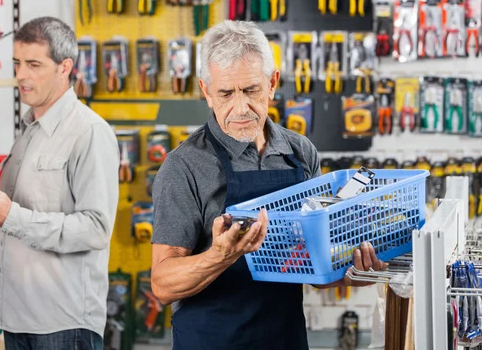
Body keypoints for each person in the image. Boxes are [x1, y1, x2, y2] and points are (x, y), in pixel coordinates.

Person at [150, 20, 386, 350]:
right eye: (225, 94)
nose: (240, 108)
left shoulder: (300, 152)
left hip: (284, 338)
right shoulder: (184, 166)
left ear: (272, 83)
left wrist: (356, 269)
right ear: (206, 91)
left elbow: (317, 270)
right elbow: (162, 284)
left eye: (250, 90)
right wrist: (220, 256)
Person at [0, 16, 119, 350]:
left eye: (34, 64)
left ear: (64, 67)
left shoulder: (89, 133)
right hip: (17, 317)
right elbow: (18, 227)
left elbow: (96, 229)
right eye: (17, 63)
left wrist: (10, 216)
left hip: (63, 323)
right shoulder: (27, 134)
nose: (21, 75)